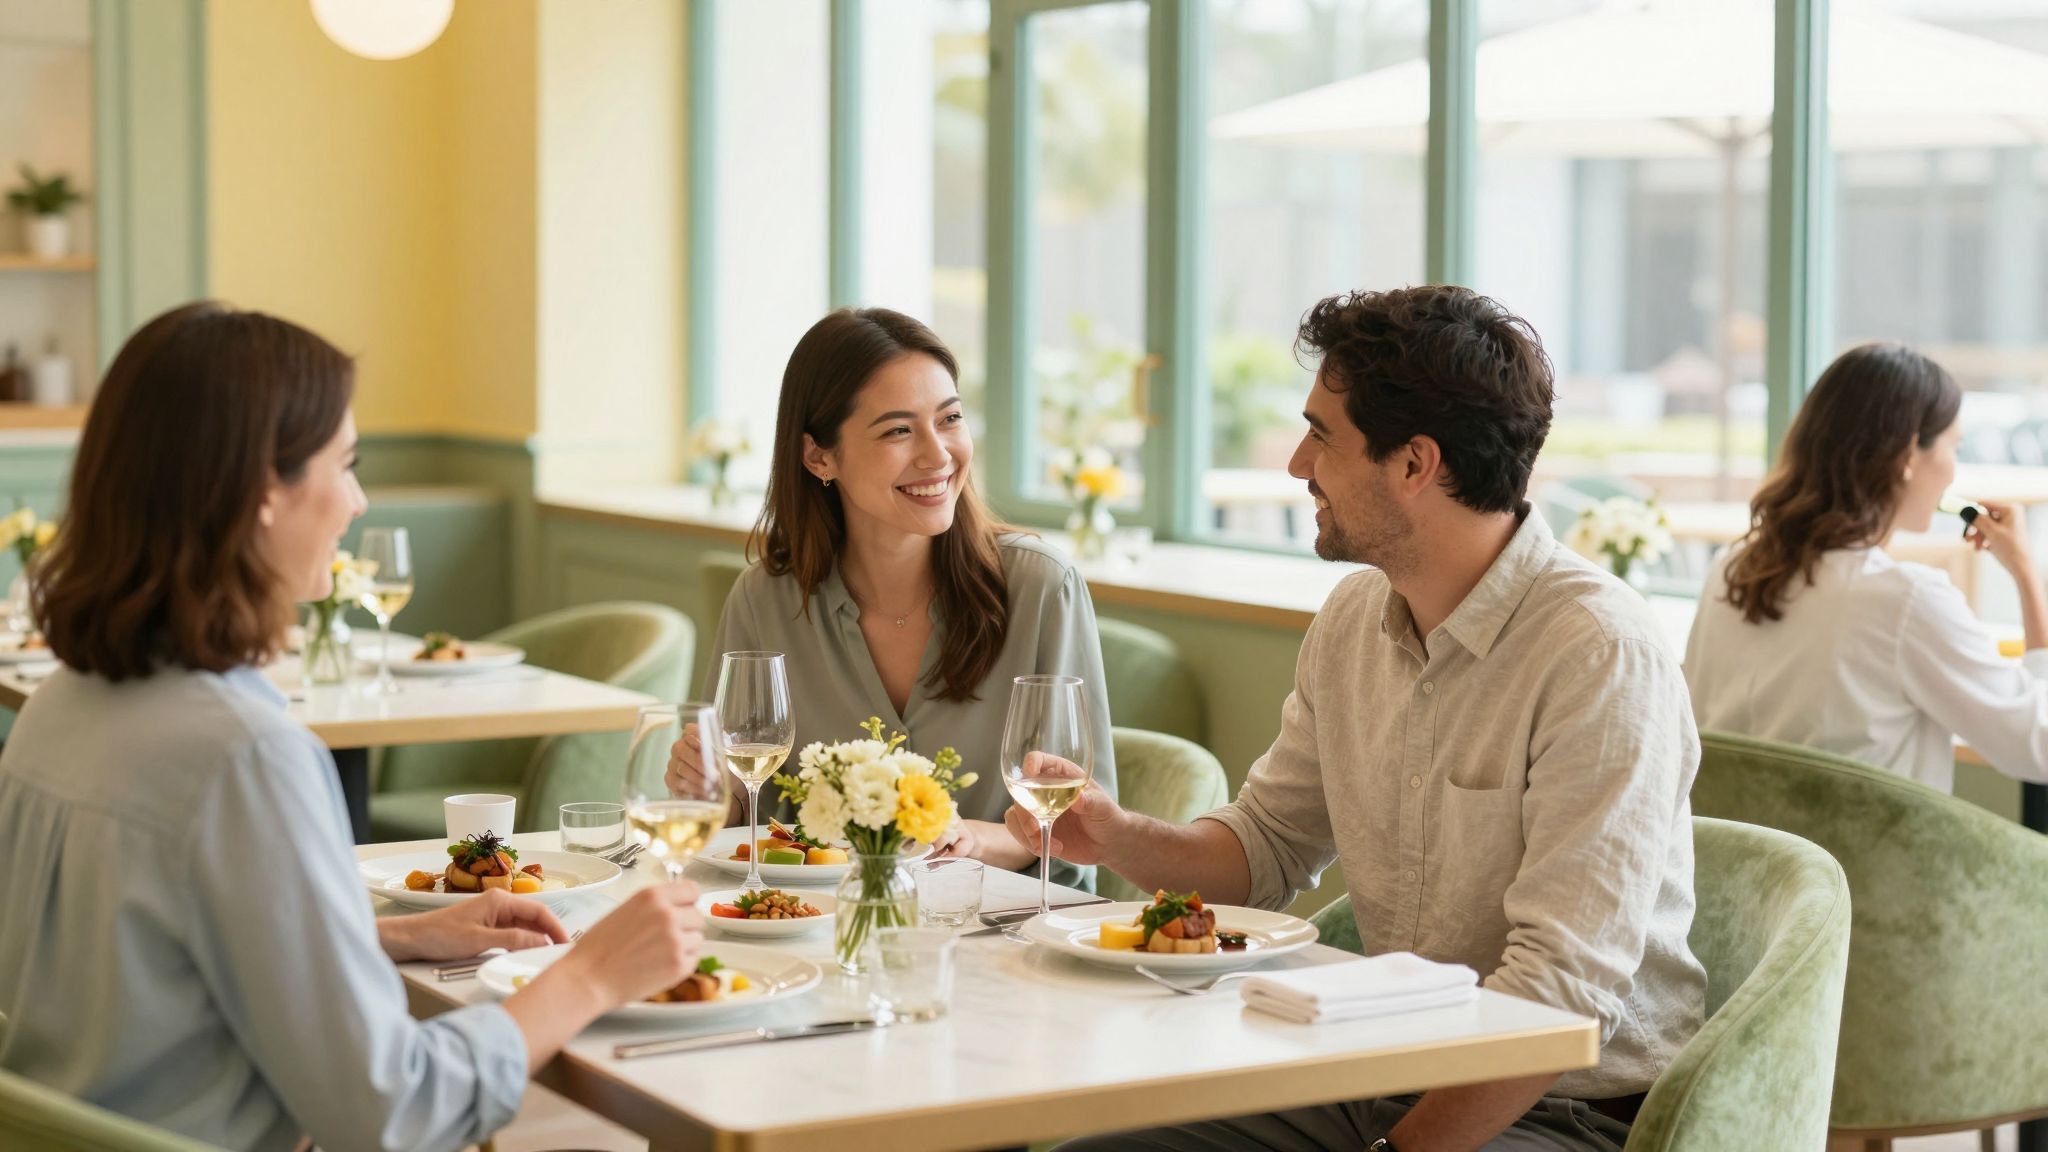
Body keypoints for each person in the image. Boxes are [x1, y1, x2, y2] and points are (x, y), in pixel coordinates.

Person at [1011, 286, 1706, 1151]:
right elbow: (1264, 850)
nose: (1297, 464)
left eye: (1321, 435)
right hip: (1372, 1068)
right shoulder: (1352, 620)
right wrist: (1117, 836)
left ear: (1414, 465)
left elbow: (1559, 995)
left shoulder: (1598, 654)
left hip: (1555, 1107)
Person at [0, 303, 708, 1152]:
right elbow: (393, 1112)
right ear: (263, 491)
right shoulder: (245, 757)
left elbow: (146, 977)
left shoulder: (57, 708)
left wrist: (387, 935)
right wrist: (591, 975)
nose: (357, 500)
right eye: (344, 464)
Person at [666, 307, 1116, 888]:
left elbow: (1079, 830)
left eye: (950, 418)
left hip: (998, 926)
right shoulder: (765, 599)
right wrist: (708, 790)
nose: (938, 455)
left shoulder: (1043, 587)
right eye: (898, 431)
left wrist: (971, 839)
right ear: (819, 456)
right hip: (813, 923)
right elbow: (738, 816)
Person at [1686, 342, 2048, 791]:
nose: (1954, 472)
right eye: (1954, 447)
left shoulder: (1730, 569)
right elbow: (2039, 746)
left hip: (1737, 837)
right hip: (1868, 842)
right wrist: (2026, 574)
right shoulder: (1906, 601)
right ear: (1909, 455)